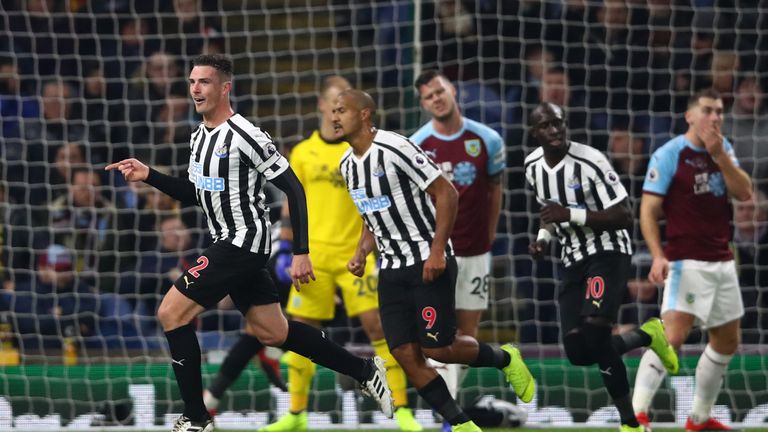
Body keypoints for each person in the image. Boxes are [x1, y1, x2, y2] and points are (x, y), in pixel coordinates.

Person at [105, 54, 393, 432]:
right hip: (226, 241)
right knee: (273, 332)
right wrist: (149, 176)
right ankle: (364, 368)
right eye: (192, 81)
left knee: (170, 313)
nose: (195, 88)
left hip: (244, 243)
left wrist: (301, 251)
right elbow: (196, 193)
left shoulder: (247, 135)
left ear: (225, 87)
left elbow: (293, 187)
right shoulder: (198, 136)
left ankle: (196, 418)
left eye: (204, 82)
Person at [203, 75, 421, 431]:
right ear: (321, 105)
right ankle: (296, 413)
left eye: (346, 105)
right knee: (300, 329)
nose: (339, 111)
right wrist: (287, 247)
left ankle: (402, 410)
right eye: (334, 103)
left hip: (355, 253)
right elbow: (291, 205)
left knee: (378, 324)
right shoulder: (303, 152)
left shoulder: (361, 149)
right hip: (312, 257)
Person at [334, 88, 534, 432]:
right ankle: (461, 424)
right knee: (403, 352)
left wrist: (438, 249)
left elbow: (447, 192)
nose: (335, 117)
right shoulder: (347, 165)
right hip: (391, 269)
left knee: (438, 349)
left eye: (342, 110)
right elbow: (372, 215)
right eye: (333, 111)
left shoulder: (397, 148)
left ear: (365, 114)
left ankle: (505, 358)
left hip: (427, 261)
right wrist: (361, 251)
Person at [524, 102, 679, 432]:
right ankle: (647, 333)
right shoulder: (532, 167)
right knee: (578, 352)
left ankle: (630, 423)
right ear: (534, 133)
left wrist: (572, 215)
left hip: (607, 252)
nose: (554, 130)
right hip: (571, 257)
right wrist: (542, 240)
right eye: (546, 126)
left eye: (559, 123)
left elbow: (623, 215)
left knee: (595, 331)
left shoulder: (590, 160)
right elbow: (549, 215)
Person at [631, 89, 753, 432]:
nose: (715, 117)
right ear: (690, 116)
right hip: (686, 262)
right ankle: (636, 416)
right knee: (671, 336)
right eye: (708, 110)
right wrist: (658, 255)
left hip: (722, 261)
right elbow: (648, 210)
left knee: (727, 340)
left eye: (719, 111)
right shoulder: (669, 154)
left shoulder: (723, 150)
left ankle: (699, 419)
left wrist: (721, 157)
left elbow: (744, 193)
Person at [409, 70, 504, 423]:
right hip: (437, 253)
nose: (436, 98)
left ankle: (449, 414)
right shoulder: (418, 144)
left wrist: (490, 233)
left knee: (466, 335)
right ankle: (448, 415)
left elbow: (495, 188)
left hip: (476, 252)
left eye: (440, 91)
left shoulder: (488, 139)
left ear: (453, 91)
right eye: (429, 96)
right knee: (436, 338)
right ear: (423, 104)